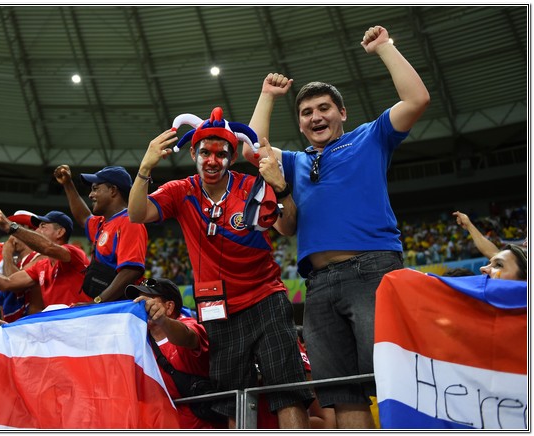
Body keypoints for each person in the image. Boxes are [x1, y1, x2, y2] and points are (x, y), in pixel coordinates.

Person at [243, 25, 430, 428]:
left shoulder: (370, 137)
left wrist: (385, 47)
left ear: (342, 113)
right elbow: (251, 148)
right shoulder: (294, 161)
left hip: (373, 272)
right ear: (301, 124)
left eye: (324, 108)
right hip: (318, 285)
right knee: (341, 392)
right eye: (307, 112)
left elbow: (416, 99)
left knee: (396, 379)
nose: (316, 116)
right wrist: (267, 96)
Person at [128, 107, 313, 429]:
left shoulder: (252, 187)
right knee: (233, 398)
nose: (212, 161)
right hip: (218, 308)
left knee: (288, 390)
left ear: (232, 156)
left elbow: (288, 228)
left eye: (221, 154)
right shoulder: (181, 191)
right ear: (193, 153)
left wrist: (281, 187)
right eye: (205, 153)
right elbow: (136, 214)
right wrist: (145, 167)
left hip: (265, 297)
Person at [124, 278, 222, 429]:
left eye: (147, 300)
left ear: (169, 307)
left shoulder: (190, 325)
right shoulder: (137, 341)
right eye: (138, 300)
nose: (140, 305)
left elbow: (188, 337)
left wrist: (162, 320)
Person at [54, 165, 147, 302]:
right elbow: (83, 217)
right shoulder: (103, 223)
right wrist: (68, 184)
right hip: (108, 304)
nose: (90, 195)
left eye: (95, 189)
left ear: (113, 190)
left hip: (121, 307)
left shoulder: (129, 222)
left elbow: (131, 271)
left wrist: (97, 302)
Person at [0, 209, 92, 308]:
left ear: (60, 232)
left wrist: (9, 227)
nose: (37, 231)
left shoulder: (74, 252)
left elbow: (47, 247)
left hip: (80, 319)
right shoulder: (41, 266)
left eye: (43, 226)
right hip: (56, 321)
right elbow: (7, 283)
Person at [0, 210, 47, 320]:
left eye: (15, 231)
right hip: (14, 324)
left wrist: (6, 252)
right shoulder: (15, 262)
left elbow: (13, 285)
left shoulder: (41, 258)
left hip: (33, 323)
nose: (11, 237)